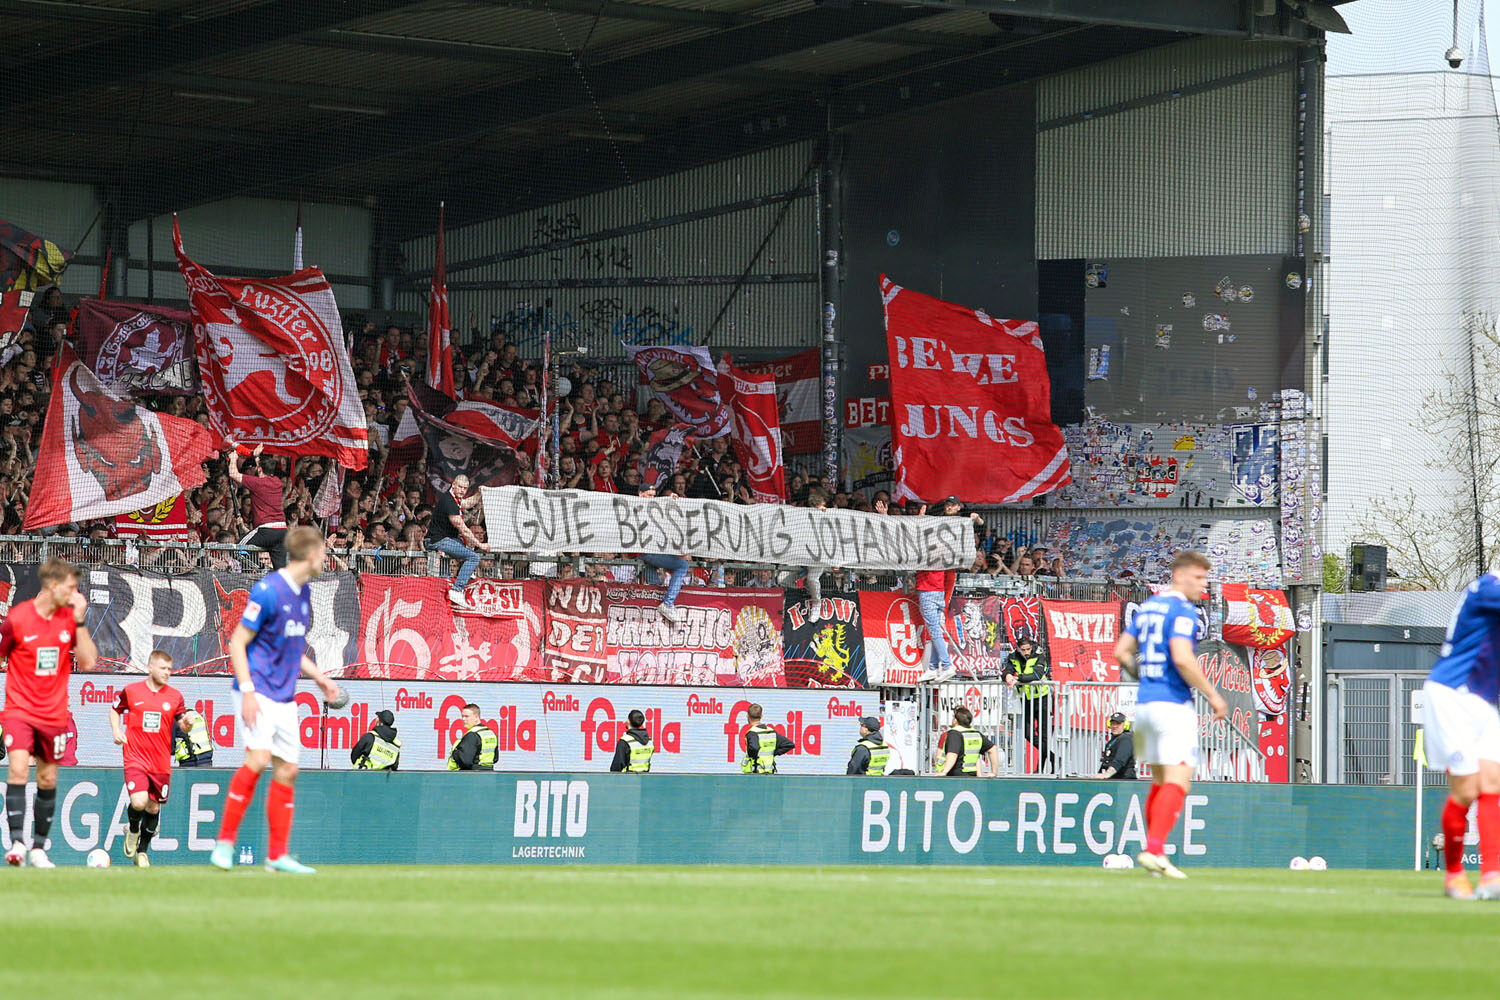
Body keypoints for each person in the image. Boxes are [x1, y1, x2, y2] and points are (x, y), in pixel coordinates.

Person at [209, 526, 341, 875]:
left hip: (284, 695)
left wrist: (321, 679)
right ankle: (224, 843)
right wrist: (248, 690)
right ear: (311, 555)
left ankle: (277, 855)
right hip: (257, 689)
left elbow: (294, 648)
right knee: (259, 759)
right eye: (324, 552)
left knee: (288, 769)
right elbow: (237, 642)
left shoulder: (304, 593)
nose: (326, 558)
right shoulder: (267, 590)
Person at [1114, 549, 1228, 880]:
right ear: (1179, 575)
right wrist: (1212, 694)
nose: (1202, 586)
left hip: (1146, 706)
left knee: (1160, 781)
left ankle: (1156, 856)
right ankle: (1153, 848)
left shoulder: (1148, 608)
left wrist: (1145, 676)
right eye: (1198, 577)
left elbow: (1121, 652)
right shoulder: (1182, 611)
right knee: (1179, 780)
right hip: (1173, 705)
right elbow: (1182, 658)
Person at [1, 556, 94, 867]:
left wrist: (80, 621)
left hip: (53, 714)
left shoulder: (69, 621)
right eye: (70, 588)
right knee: (17, 769)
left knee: (47, 778)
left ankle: (38, 848)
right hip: (18, 710)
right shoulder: (18, 618)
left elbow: (90, 661)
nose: (74, 594)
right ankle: (16, 844)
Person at [1420, 571, 1500, 899]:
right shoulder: (1489, 588)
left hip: (1482, 701)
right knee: (1467, 790)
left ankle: (1492, 876)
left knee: (1493, 783)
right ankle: (1454, 876)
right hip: (1451, 694)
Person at [109, 649, 187, 867]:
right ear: (150, 667)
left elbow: (181, 723)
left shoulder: (175, 696)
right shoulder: (132, 691)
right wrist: (116, 730)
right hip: (135, 755)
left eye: (170, 669)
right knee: (139, 801)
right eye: (163, 668)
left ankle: (142, 852)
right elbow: (115, 710)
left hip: (161, 761)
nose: (167, 673)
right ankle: (133, 829)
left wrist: (186, 724)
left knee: (153, 808)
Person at [915, 496, 980, 683]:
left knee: (934, 630)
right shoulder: (946, 552)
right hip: (939, 592)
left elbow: (917, 538)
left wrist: (920, 520)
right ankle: (933, 668)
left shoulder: (928, 552)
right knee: (936, 628)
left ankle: (947, 663)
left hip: (928, 592)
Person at [426, 473, 490, 608]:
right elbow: (463, 528)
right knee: (474, 557)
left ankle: (465, 572)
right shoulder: (448, 501)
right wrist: (481, 545)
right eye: (460, 487)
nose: (462, 490)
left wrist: (479, 494)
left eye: (465, 488)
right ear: (453, 485)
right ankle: (457, 590)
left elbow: (467, 503)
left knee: (464, 546)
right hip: (439, 541)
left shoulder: (454, 499)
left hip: (448, 539)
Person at [227, 442, 288, 569]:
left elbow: (233, 474)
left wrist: (233, 459)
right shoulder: (277, 482)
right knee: (280, 570)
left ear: (259, 469)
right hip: (282, 531)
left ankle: (261, 569)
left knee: (236, 549)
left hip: (266, 530)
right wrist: (256, 456)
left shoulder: (257, 483)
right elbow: (262, 468)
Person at [1003, 636, 1058, 775]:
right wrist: (1007, 676)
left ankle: (1041, 768)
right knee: (1028, 734)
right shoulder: (1013, 656)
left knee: (1044, 736)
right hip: (1026, 699)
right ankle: (1054, 758)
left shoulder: (1039, 655)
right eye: (1023, 650)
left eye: (1028, 649)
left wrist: (1018, 679)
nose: (1026, 652)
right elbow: (1006, 670)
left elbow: (1037, 675)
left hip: (1042, 698)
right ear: (1018, 649)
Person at [637, 484, 690, 624]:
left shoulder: (653, 509)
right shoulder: (635, 507)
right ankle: (668, 603)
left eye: (654, 496)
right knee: (682, 565)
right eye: (649, 495)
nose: (652, 499)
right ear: (640, 494)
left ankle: (652, 622)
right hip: (645, 552)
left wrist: (668, 500)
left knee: (655, 585)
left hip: (648, 554)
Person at [937, 705, 999, 777]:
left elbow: (952, 754)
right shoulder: (976, 734)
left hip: (955, 777)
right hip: (972, 776)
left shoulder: (954, 733)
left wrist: (944, 772)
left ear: (955, 720)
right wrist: (994, 773)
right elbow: (993, 749)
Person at [741, 703, 794, 774]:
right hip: (770, 771)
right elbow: (789, 744)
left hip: (756, 772)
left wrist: (759, 754)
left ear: (747, 716)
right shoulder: (771, 731)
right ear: (761, 716)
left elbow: (754, 748)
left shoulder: (752, 733)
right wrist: (772, 753)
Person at [448, 703, 498, 771]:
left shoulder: (472, 735)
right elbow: (495, 758)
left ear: (476, 717)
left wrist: (455, 753)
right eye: (462, 716)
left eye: (467, 716)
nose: (463, 719)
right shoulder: (491, 733)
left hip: (474, 775)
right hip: (489, 773)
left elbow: (465, 761)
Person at [1096, 712, 1136, 780]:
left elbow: (1119, 761)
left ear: (1125, 725)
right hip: (1115, 780)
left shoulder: (1126, 740)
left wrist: (1107, 774)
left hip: (1124, 781)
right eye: (1113, 723)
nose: (1114, 726)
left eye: (1118, 723)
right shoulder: (1114, 740)